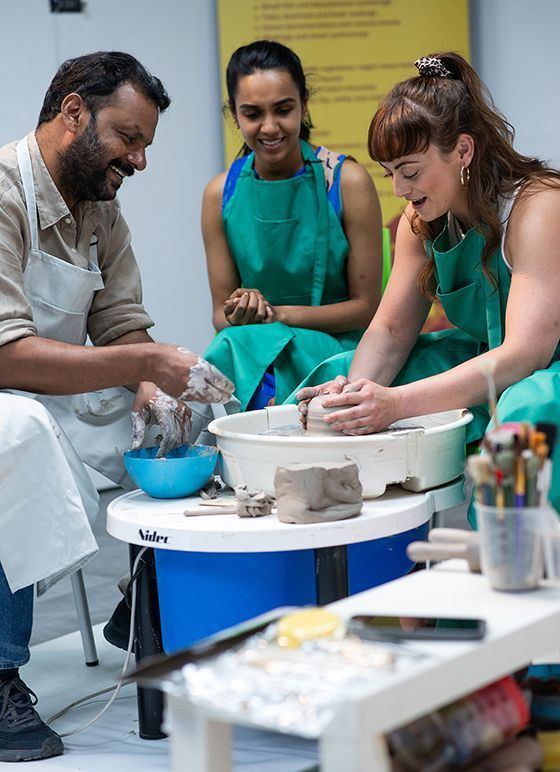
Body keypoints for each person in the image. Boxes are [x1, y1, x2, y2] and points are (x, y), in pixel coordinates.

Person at [0, 51, 233, 762]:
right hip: (12, 403)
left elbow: (122, 324)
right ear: (74, 112)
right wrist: (139, 363)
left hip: (53, 395)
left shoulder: (100, 210)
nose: (139, 159)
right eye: (129, 139)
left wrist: (158, 389)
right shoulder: (5, 196)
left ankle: (146, 613)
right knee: (18, 438)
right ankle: (2, 672)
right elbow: (7, 356)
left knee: (192, 421)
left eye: (145, 144)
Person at [295, 52, 560, 516]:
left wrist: (394, 404)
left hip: (542, 368)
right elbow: (392, 331)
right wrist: (354, 394)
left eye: (410, 171)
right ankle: (348, 528)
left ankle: (505, 568)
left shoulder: (538, 207)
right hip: (490, 357)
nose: (399, 190)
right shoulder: (422, 219)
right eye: (390, 172)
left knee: (522, 414)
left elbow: (525, 355)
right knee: (339, 380)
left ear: (463, 150)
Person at [202, 40, 383, 411]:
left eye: (283, 109)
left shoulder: (347, 181)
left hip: (339, 358)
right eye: (252, 113)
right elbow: (222, 316)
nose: (270, 127)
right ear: (234, 116)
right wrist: (241, 310)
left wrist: (278, 314)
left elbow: (366, 307)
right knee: (227, 347)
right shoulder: (220, 193)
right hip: (261, 357)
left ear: (304, 104)